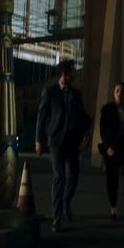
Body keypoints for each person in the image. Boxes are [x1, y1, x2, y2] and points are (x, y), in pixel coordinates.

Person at [35, 59, 93, 233]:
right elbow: (42, 116)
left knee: (73, 176)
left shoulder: (76, 93)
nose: (73, 75)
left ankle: (66, 201)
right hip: (56, 140)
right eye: (70, 73)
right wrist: (38, 140)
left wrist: (86, 134)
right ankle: (57, 216)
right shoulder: (50, 92)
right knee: (59, 176)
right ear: (63, 73)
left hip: (72, 140)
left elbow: (82, 115)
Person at [98, 82, 124, 225]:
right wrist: (107, 147)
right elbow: (102, 130)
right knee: (112, 180)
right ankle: (113, 207)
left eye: (122, 91)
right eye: (117, 91)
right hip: (113, 149)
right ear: (113, 93)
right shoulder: (107, 109)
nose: (120, 94)